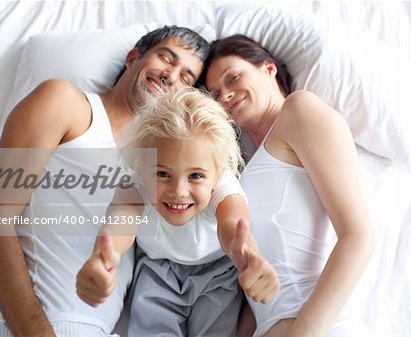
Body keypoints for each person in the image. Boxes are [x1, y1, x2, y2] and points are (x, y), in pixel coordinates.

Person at [0, 26, 210, 337]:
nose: (171, 76)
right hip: (25, 327)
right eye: (166, 58)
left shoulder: (160, 165)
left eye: (186, 77)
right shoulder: (64, 102)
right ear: (133, 58)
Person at [200, 34, 375, 337]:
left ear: (269, 69)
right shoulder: (242, 171)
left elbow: (358, 236)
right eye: (215, 94)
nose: (225, 95)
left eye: (233, 78)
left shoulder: (300, 109)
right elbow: (259, 289)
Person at [76, 89, 279, 337]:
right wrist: (103, 258)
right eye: (162, 174)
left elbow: (233, 223)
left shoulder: (223, 185)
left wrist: (247, 255)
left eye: (195, 176)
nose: (179, 192)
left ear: (216, 175)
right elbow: (121, 223)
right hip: (158, 270)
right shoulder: (136, 185)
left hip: (217, 273)